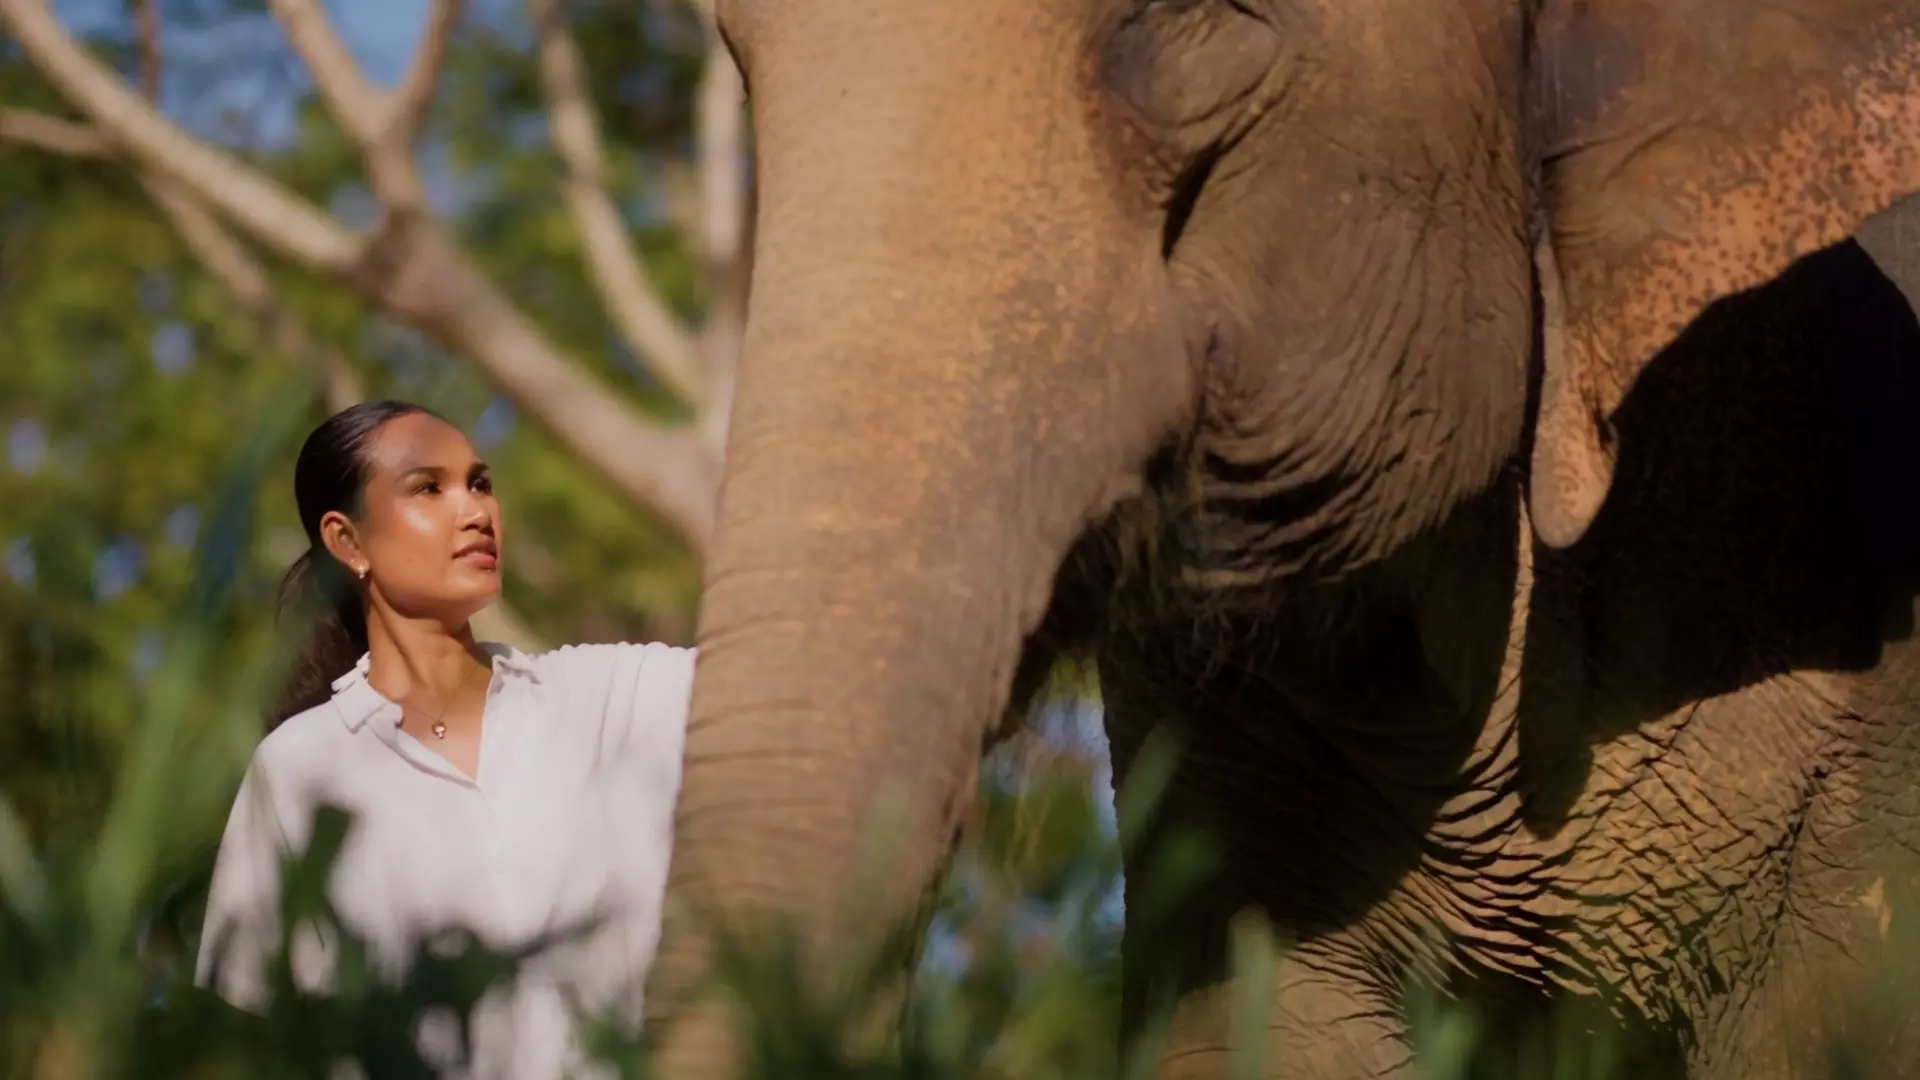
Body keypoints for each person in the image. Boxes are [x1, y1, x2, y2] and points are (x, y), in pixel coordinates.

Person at [194, 400, 695, 1079]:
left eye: (480, 483)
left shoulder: (610, 696)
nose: (476, 511)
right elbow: (247, 1026)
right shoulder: (299, 766)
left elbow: (785, 666)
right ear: (349, 543)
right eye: (429, 488)